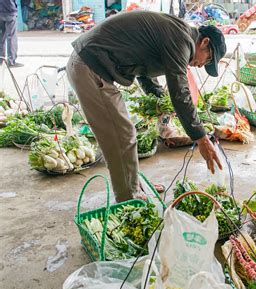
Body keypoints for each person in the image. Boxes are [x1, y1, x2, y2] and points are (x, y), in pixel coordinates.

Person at [67, 11, 226, 202]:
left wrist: (159, 100)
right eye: (208, 59)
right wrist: (201, 139)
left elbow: (144, 69)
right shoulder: (181, 39)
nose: (201, 65)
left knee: (125, 133)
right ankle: (129, 198)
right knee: (121, 136)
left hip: (92, 66)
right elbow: (180, 91)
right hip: (89, 67)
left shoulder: (178, 34)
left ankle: (133, 185)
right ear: (205, 42)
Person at [0, 0, 23, 67]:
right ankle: (11, 61)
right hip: (10, 11)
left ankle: (0, 59)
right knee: (11, 37)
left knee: (1, 38)